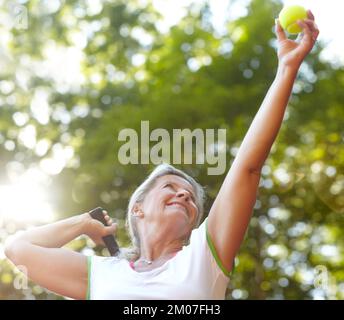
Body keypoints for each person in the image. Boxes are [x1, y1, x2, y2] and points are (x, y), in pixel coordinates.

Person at [4, 11, 319, 300]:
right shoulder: (100, 275)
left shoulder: (205, 255)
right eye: (170, 187)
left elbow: (248, 167)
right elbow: (18, 249)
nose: (184, 193)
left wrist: (287, 68)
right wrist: (84, 224)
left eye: (192, 198)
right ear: (138, 209)